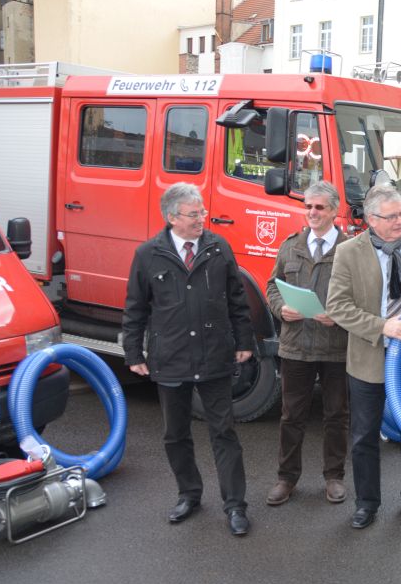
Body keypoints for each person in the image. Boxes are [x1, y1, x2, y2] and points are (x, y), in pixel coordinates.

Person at [122, 182, 254, 536]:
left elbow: (237, 300)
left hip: (215, 356)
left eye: (201, 213)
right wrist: (133, 352)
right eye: (193, 214)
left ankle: (235, 505)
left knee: (223, 432)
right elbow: (135, 308)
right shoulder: (148, 254)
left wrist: (244, 341)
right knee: (175, 434)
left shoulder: (217, 247)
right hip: (171, 358)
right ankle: (189, 495)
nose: (201, 220)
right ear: (172, 217)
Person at [325, 184, 401, 530]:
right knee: (364, 435)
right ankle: (367, 503)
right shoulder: (349, 252)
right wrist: (382, 327)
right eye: (391, 217)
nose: (399, 222)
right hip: (369, 359)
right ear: (371, 220)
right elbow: (337, 307)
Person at [264, 181, 350, 507]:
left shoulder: (351, 250)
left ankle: (334, 477)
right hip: (296, 346)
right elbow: (273, 286)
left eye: (320, 207)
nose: (312, 213)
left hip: (336, 346)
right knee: (291, 416)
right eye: (309, 207)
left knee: (337, 415)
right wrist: (279, 308)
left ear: (334, 211)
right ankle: (286, 478)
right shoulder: (291, 246)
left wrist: (338, 317)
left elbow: (363, 297)